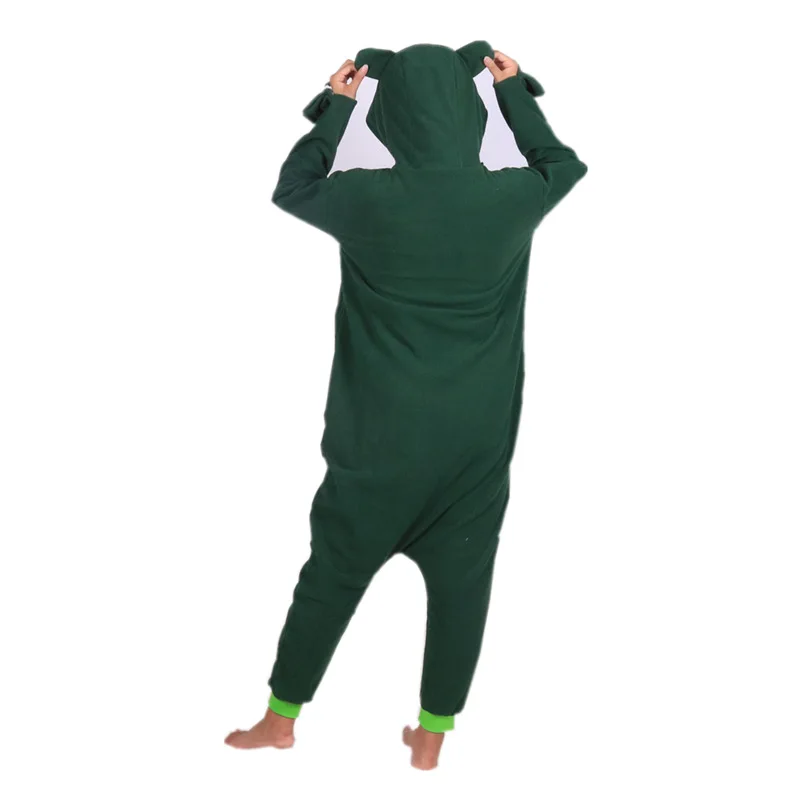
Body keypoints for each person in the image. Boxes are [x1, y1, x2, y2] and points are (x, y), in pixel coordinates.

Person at [225, 41, 587, 770]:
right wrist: (510, 93)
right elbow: (563, 163)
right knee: (463, 584)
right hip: (475, 439)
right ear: (467, 114)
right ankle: (430, 735)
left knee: (332, 576)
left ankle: (280, 720)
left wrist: (338, 106)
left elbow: (293, 186)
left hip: (376, 439)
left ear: (391, 116)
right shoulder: (514, 195)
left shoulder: (364, 196)